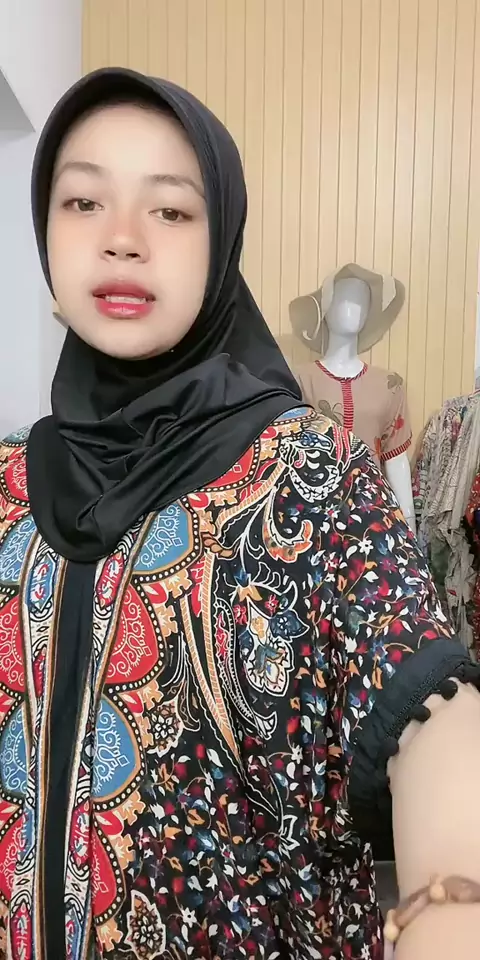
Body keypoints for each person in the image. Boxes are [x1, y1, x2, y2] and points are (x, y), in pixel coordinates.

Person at [0, 66, 479, 960]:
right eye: (82, 203)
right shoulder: (7, 484)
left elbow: (428, 702)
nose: (121, 240)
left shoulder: (311, 475)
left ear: (221, 239)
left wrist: (451, 900)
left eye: (170, 210)